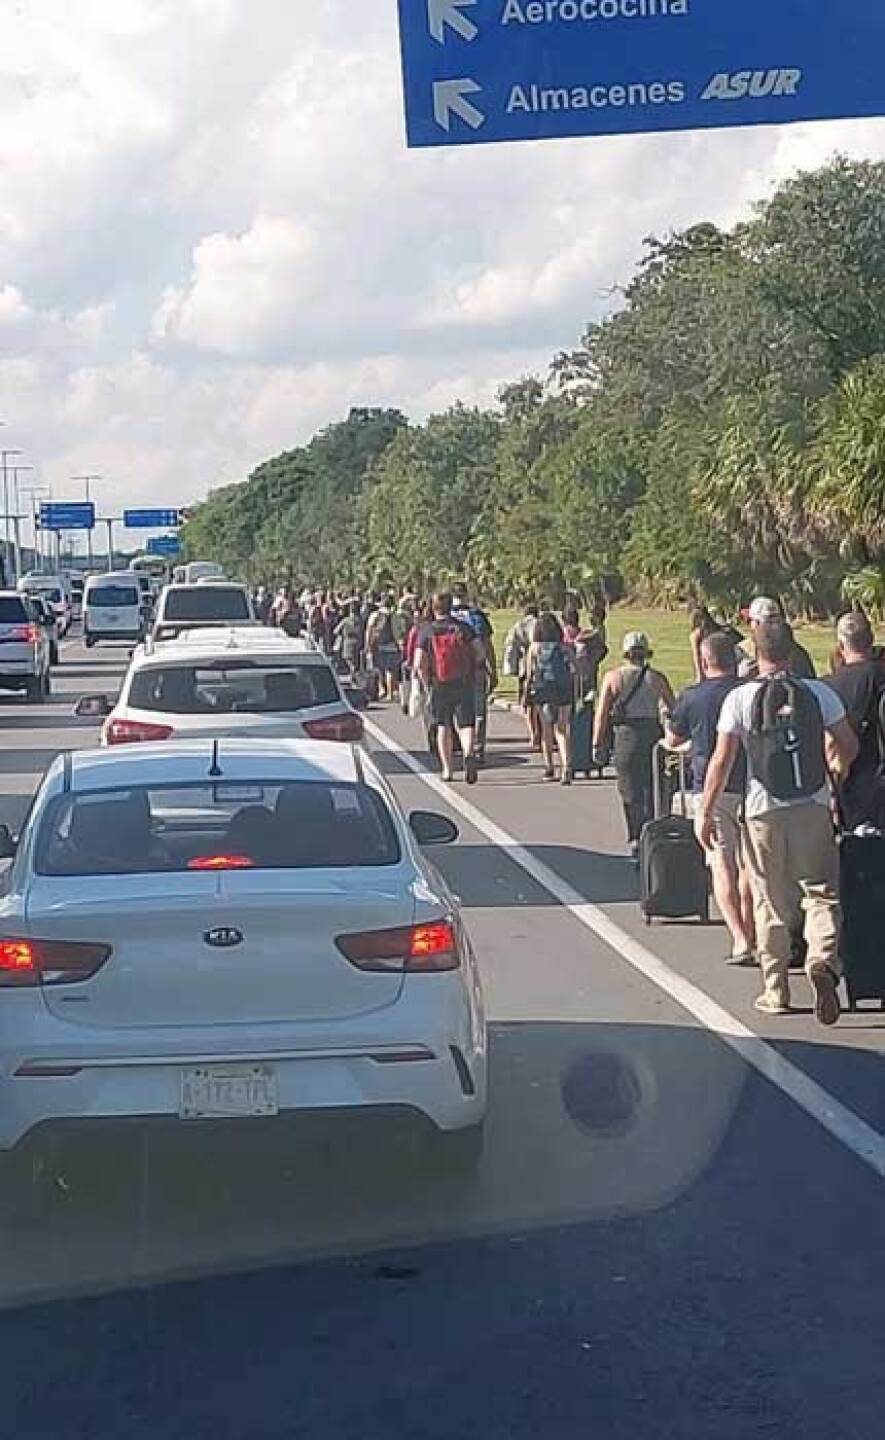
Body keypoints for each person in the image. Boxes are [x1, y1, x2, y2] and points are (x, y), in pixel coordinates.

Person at [697, 620, 858, 1024]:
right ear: (792, 651)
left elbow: (722, 759)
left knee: (770, 900)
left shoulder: (740, 698)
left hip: (762, 808)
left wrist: (706, 810)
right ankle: (822, 960)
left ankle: (775, 988)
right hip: (813, 805)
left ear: (756, 652)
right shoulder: (818, 692)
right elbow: (849, 744)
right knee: (821, 892)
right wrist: (833, 773)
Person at [667, 632, 755, 965]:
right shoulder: (748, 693)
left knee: (721, 864)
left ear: (705, 661)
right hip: (750, 782)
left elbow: (673, 738)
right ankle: (753, 928)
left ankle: (739, 937)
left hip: (711, 786)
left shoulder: (692, 697)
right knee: (749, 865)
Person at [593, 632, 676, 859]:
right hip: (651, 734)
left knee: (630, 790)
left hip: (626, 736)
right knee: (652, 788)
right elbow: (673, 708)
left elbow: (601, 714)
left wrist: (598, 743)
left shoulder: (613, 678)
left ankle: (635, 836)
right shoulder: (657, 678)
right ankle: (651, 834)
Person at [415, 591, 485, 784]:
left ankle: (447, 769)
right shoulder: (463, 628)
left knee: (443, 725)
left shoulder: (427, 631)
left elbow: (419, 662)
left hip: (439, 682)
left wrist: (426, 682)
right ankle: (469, 752)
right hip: (463, 681)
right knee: (466, 723)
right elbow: (480, 653)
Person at [824, 611, 885, 830]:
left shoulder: (829, 687)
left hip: (854, 786)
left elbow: (829, 745)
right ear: (870, 639)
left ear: (841, 644)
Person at [526, 612, 575, 784]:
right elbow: (574, 668)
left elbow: (529, 672)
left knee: (546, 729)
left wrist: (527, 692)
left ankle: (549, 767)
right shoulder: (565, 647)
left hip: (543, 689)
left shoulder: (534, 648)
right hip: (563, 689)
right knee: (562, 728)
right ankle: (567, 765)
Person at [452, 585, 498, 763]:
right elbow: (487, 645)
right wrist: (492, 670)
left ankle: (462, 743)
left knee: (457, 709)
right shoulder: (476, 617)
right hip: (476, 669)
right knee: (479, 710)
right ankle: (477, 748)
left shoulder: (446, 616)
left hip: (453, 672)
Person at [738, 597, 816, 680]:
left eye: (775, 620)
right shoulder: (743, 650)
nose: (774, 626)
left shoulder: (796, 652)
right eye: (770, 621)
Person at [504, 602, 541, 750]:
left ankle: (533, 733)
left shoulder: (518, 626)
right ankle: (543, 732)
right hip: (543, 667)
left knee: (527, 703)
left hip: (525, 668)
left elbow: (510, 647)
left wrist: (510, 668)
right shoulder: (543, 624)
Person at [689, 603, 720, 683]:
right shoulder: (717, 630)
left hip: (709, 666)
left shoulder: (696, 634)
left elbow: (696, 655)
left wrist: (699, 676)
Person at [334, 600, 364, 673]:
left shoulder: (346, 621)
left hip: (348, 644)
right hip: (359, 644)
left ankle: (353, 677)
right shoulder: (361, 621)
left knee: (350, 663)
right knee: (356, 664)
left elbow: (335, 631)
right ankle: (354, 677)